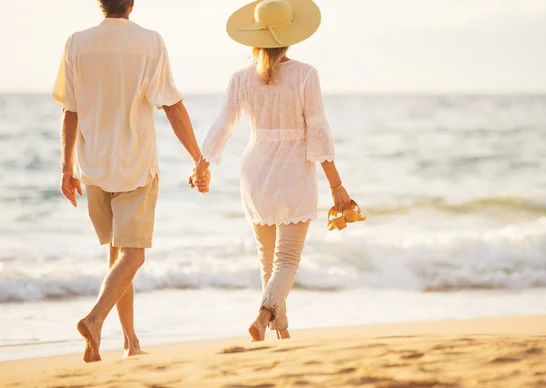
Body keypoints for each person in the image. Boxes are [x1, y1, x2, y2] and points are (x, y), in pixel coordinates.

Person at [52, 0, 209, 362]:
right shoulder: (150, 42)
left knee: (118, 256)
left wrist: (66, 169)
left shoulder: (76, 42)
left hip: (93, 166)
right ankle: (94, 320)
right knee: (133, 256)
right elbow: (171, 105)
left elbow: (69, 110)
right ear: (132, 3)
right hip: (135, 166)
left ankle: (130, 342)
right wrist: (198, 158)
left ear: (100, 3)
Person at [191, 0, 353, 341]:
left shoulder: (240, 78)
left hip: (255, 170)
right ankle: (264, 314)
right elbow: (318, 131)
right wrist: (337, 185)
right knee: (287, 258)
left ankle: (281, 331)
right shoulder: (306, 74)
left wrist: (203, 163)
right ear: (291, 37)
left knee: (268, 258)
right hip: (294, 170)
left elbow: (224, 125)